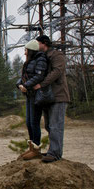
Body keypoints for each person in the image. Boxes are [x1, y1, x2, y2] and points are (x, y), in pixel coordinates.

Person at [34, 35, 70, 163]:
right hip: (48, 97)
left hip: (59, 95)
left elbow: (57, 72)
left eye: (38, 44)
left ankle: (55, 153)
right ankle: (52, 150)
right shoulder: (42, 57)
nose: (37, 47)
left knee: (56, 126)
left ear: (44, 43)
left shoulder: (57, 55)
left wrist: (42, 84)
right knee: (49, 126)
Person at [16, 40, 48, 160]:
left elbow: (39, 76)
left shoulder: (40, 60)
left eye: (26, 50)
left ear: (31, 51)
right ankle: (31, 147)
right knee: (29, 122)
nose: (24, 53)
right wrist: (19, 84)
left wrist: (26, 85)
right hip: (29, 94)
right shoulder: (29, 61)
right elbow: (24, 76)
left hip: (37, 95)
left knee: (34, 122)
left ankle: (36, 149)